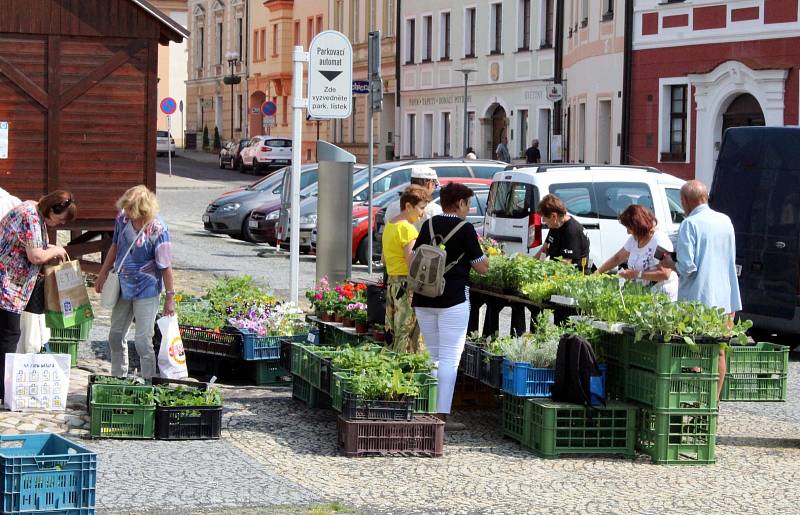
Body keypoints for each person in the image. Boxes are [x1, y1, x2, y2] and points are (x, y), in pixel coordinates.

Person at [412, 183, 489, 428]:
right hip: (453, 298)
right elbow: (481, 266)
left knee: (432, 355)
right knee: (449, 358)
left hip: (424, 297)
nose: (469, 209)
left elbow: (415, 257)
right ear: (459, 203)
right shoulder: (466, 229)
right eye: (468, 203)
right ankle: (441, 416)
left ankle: (427, 409)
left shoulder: (428, 224)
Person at [661, 180, 741, 399]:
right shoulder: (725, 221)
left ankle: (697, 400)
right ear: (705, 197)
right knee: (720, 351)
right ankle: (713, 402)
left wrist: (670, 264)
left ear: (685, 201)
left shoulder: (690, 224)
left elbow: (687, 267)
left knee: (694, 351)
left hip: (698, 299)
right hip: (725, 297)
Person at [0, 191, 74, 400]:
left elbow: (33, 245)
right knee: (9, 335)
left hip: (11, 283)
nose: (58, 224)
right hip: (7, 284)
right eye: (59, 220)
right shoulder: (32, 217)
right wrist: (56, 250)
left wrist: (52, 248)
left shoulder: (33, 208)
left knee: (7, 334)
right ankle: (2, 389)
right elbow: (36, 255)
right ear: (51, 210)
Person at [96, 186, 175, 380]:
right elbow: (115, 245)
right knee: (115, 335)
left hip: (147, 288)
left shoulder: (158, 229)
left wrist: (170, 298)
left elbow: (165, 266)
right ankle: (118, 377)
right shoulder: (122, 219)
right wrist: (102, 273)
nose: (128, 214)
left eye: (132, 210)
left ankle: (148, 382)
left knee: (142, 341)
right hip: (123, 285)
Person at [382, 185, 431, 353]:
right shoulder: (408, 229)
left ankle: (388, 370)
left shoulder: (390, 225)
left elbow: (383, 258)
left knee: (391, 331)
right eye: (421, 208)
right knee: (407, 333)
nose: (422, 213)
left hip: (392, 284)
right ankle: (404, 372)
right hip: (406, 287)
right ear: (408, 206)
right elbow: (413, 265)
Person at [595, 204, 678, 301]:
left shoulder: (659, 240)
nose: (628, 232)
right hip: (645, 293)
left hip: (662, 293)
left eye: (629, 228)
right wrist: (598, 272)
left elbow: (665, 274)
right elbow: (618, 258)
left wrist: (636, 274)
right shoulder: (634, 240)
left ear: (638, 226)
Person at [535, 194, 590, 272]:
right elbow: (545, 250)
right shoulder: (555, 225)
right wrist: (535, 265)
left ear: (554, 216)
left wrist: (544, 272)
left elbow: (566, 264)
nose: (543, 221)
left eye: (544, 218)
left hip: (573, 277)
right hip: (556, 273)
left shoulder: (571, 232)